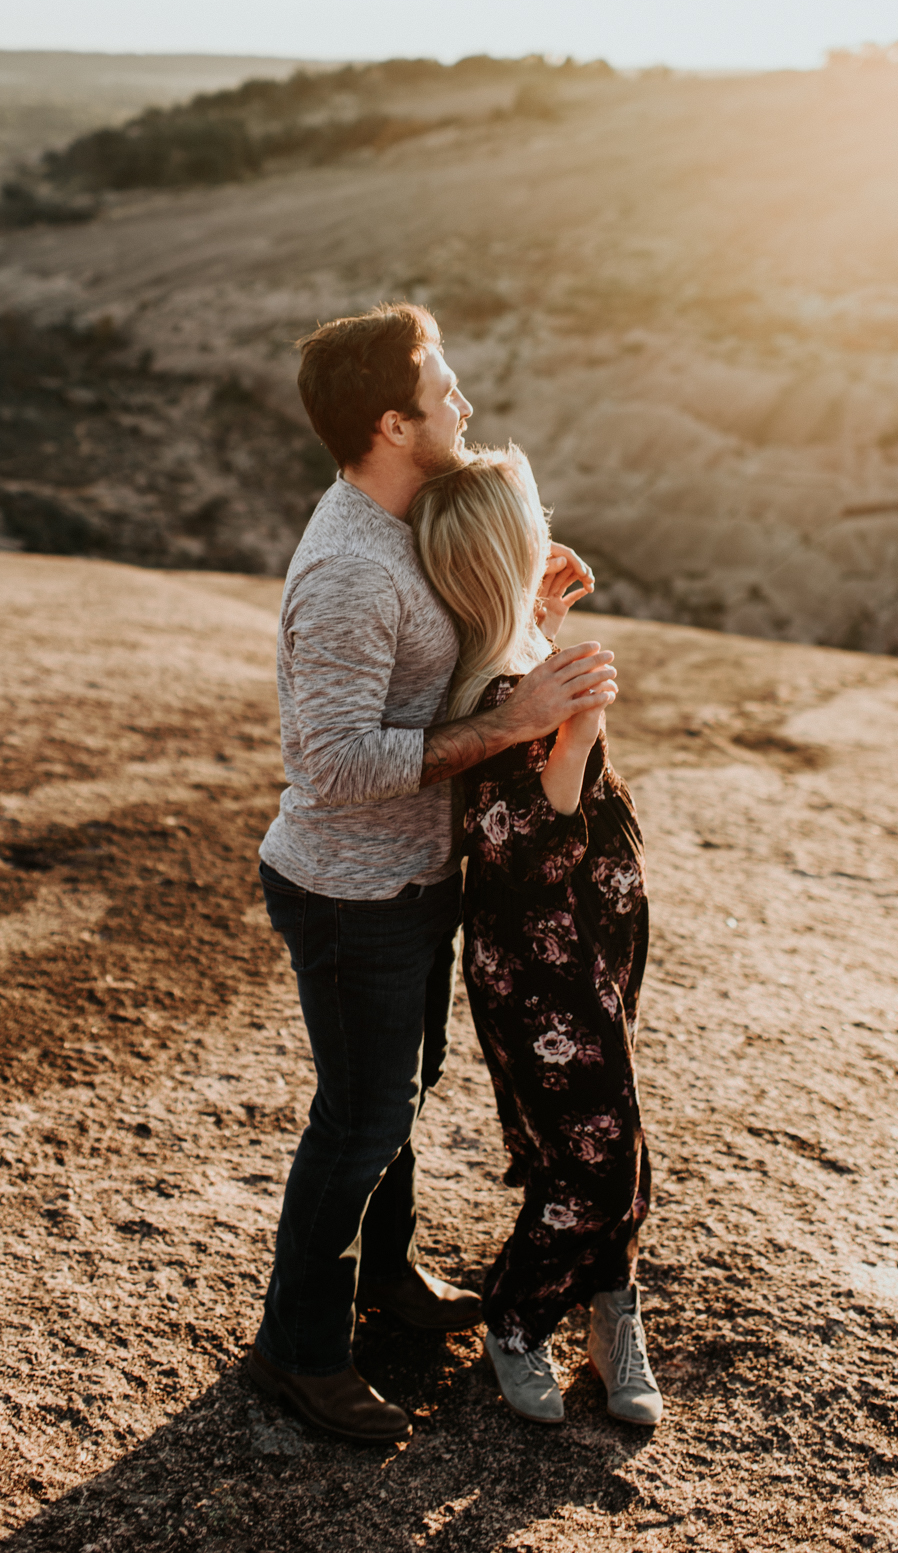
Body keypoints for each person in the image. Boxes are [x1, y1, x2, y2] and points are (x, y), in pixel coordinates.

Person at [247, 303, 617, 1444]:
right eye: (444, 388)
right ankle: (297, 1354)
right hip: (351, 893)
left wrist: (529, 606)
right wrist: (519, 724)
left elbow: (446, 666)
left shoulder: (407, 518)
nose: (465, 400)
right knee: (358, 1123)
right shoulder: (349, 572)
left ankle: (385, 1280)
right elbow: (336, 764)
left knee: (402, 1099)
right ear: (394, 422)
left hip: (411, 881)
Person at [410, 444, 662, 1428]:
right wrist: (578, 732)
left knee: (616, 1129)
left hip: (594, 941)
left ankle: (610, 1306)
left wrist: (542, 620)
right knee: (598, 1153)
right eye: (533, 517)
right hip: (539, 957)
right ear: (500, 552)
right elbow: (522, 846)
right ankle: (517, 1314)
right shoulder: (492, 690)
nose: (549, 522)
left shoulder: (515, 656)